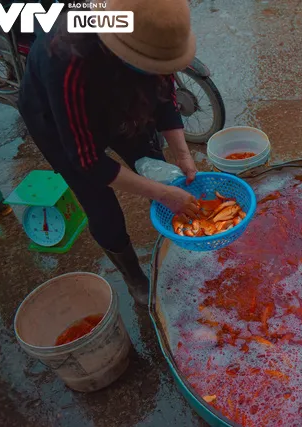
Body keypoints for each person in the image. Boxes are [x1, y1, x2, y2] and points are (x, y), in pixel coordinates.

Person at [17, 0, 200, 306]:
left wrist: (182, 155)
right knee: (101, 205)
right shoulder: (66, 57)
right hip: (54, 116)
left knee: (158, 167)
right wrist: (162, 195)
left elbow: (164, 97)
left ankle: (177, 243)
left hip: (122, 102)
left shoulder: (154, 39)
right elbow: (88, 161)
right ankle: (134, 277)